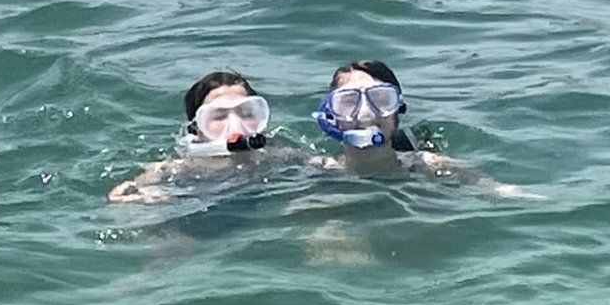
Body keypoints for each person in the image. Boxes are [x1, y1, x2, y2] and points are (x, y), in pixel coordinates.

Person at [108, 69, 277, 202]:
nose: (235, 125)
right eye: (219, 116)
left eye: (247, 113)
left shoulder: (278, 156)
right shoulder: (177, 168)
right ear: (196, 128)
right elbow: (123, 194)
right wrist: (145, 197)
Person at [312, 59, 466, 178]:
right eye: (349, 101)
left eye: (380, 99)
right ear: (330, 116)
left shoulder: (434, 166)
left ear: (397, 111)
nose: (366, 114)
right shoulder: (316, 171)